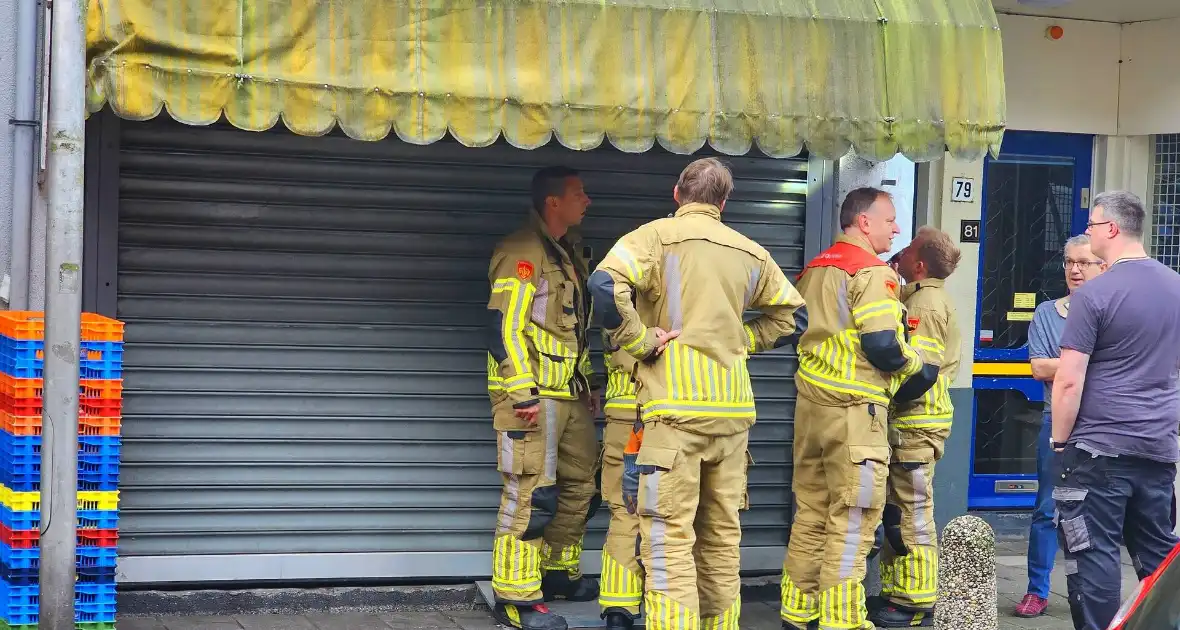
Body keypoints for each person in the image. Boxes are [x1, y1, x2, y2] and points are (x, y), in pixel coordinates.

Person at [589, 157, 807, 630]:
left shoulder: (654, 237)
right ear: (724, 202)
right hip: (732, 417)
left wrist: (640, 341)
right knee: (722, 539)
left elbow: (604, 285)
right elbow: (794, 318)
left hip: (673, 416)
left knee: (668, 541)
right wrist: (741, 341)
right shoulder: (751, 252)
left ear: (677, 194)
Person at [780, 187, 930, 630]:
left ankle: (798, 611)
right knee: (853, 519)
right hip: (855, 414)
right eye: (889, 221)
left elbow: (796, 328)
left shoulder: (816, 267)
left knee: (810, 512)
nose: (897, 229)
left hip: (810, 411)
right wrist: (916, 366)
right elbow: (882, 344)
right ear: (864, 222)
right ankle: (843, 620)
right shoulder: (874, 273)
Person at [1050, 190, 1180, 630]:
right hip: (1159, 450)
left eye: (1091, 225)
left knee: (1093, 556)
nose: (1088, 233)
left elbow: (1068, 380)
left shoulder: (1094, 294)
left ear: (1110, 229)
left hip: (1099, 450)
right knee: (1160, 560)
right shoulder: (1176, 288)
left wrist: (1060, 442)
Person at [485, 166, 605, 630]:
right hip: (532, 397)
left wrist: (591, 383)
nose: (587, 201)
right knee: (530, 495)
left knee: (581, 489)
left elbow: (574, 332)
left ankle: (557, 574)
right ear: (553, 202)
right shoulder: (522, 251)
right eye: (579, 193)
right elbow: (504, 326)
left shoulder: (569, 254)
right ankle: (515, 598)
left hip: (569, 396)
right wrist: (521, 391)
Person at [869, 227, 963, 628]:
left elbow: (922, 370)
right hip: (913, 422)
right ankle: (898, 592)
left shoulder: (926, 302)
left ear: (919, 263)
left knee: (912, 511)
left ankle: (915, 600)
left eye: (906, 250)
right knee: (899, 509)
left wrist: (882, 394)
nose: (899, 252)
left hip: (917, 422)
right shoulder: (920, 295)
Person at [1013, 234, 1106, 619]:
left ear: (1102, 266)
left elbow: (1074, 368)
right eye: (1069, 262)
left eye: (1084, 262)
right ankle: (1037, 591)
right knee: (1047, 509)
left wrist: (1067, 363)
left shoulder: (1112, 312)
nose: (1075, 270)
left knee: (1099, 511)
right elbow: (1038, 368)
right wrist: (1091, 363)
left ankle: (1091, 593)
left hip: (1103, 424)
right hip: (1056, 421)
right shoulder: (1047, 314)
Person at [597, 330, 643, 630]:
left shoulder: (615, 289)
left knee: (625, 511)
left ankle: (619, 609)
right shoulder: (687, 288)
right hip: (673, 414)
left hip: (623, 413)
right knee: (679, 515)